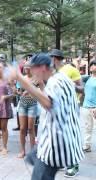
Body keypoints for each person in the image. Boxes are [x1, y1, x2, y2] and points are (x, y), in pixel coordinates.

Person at [8, 53, 84, 180]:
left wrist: (20, 79)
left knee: (39, 175)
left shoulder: (55, 83)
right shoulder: (62, 78)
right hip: (63, 138)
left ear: (42, 67)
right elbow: (50, 99)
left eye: (33, 68)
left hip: (57, 144)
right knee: (32, 157)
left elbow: (47, 103)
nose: (31, 72)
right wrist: (40, 84)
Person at [49, 49, 84, 178]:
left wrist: (70, 85)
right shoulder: (52, 72)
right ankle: (66, 161)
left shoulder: (70, 69)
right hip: (57, 108)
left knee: (71, 135)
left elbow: (82, 88)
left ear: (55, 58)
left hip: (70, 108)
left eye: (50, 58)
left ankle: (74, 165)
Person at [16, 62, 44, 158]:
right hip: (23, 104)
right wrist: (16, 91)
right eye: (25, 67)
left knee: (31, 128)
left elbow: (44, 90)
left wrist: (33, 91)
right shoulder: (22, 79)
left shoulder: (37, 79)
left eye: (29, 66)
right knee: (22, 128)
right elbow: (19, 92)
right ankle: (22, 150)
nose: (26, 68)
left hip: (33, 104)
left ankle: (32, 152)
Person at [82, 60, 96, 153]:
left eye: (94, 65)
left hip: (95, 107)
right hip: (86, 106)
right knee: (87, 127)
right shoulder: (87, 78)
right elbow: (75, 76)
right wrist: (78, 64)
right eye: (91, 65)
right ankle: (87, 146)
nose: (92, 66)